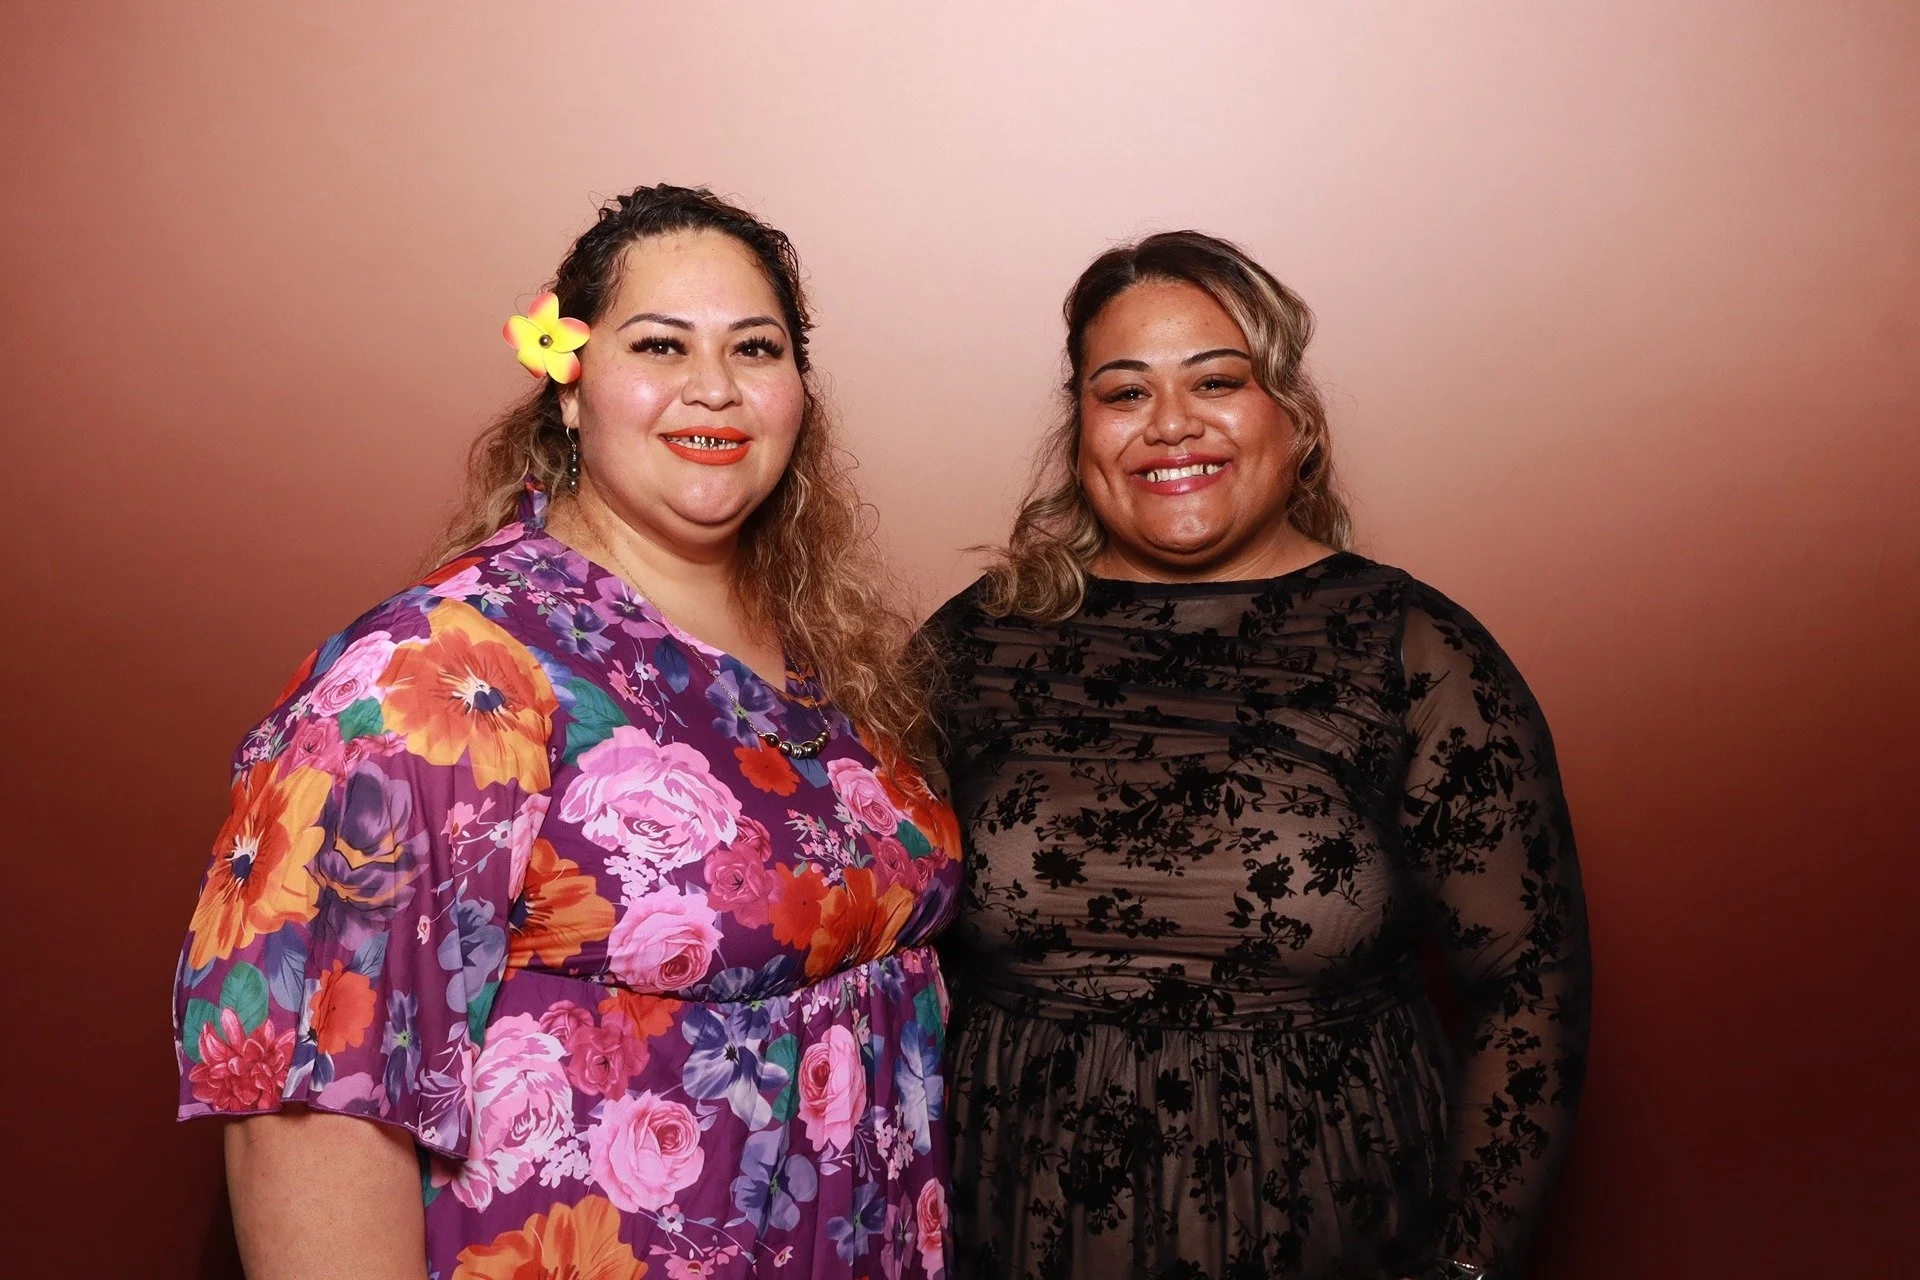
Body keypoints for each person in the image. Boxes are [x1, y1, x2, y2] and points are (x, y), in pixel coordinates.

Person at [173, 184, 961, 1280]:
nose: (714, 387)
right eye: (660, 343)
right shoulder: (445, 670)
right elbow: (309, 1108)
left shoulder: (826, 656)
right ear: (571, 386)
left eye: (756, 347)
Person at [928, 231, 1591, 1280]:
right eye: (1125, 391)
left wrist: (1468, 1266)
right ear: (1082, 428)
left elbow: (1529, 985)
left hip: (1340, 1235)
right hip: (1013, 1238)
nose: (1172, 423)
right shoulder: (974, 646)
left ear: (1292, 414)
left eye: (1218, 379)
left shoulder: (1411, 647)